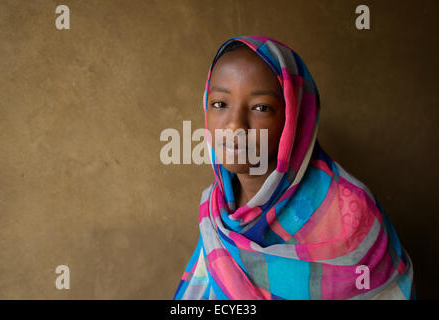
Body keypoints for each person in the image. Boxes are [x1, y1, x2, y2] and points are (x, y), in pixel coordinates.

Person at [173, 36, 414, 300]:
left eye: (261, 108)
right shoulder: (217, 208)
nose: (234, 125)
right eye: (220, 104)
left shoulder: (351, 212)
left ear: (296, 118)